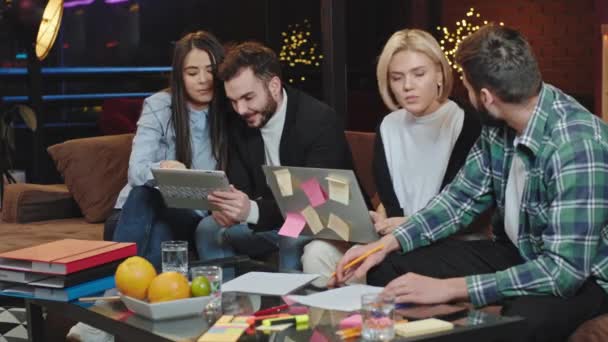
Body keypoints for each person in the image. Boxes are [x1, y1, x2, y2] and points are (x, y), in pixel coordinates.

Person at [332, 24, 608, 342]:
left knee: (523, 318)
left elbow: (563, 272)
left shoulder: (577, 144)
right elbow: (459, 199)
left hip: (584, 275)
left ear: (486, 97)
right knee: (390, 267)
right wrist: (384, 245)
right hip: (518, 251)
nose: (465, 93)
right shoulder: (498, 125)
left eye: (467, 86)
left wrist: (450, 287)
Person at [301, 29, 481, 286]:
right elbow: (389, 201)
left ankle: (370, 320)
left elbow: (469, 209)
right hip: (394, 235)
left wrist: (406, 224)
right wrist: (376, 220)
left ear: (440, 74)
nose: (408, 86)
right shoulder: (389, 126)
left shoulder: (466, 123)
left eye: (419, 74)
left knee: (373, 266)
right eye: (397, 78)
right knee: (316, 253)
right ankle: (337, 323)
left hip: (448, 239)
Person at [195, 41, 357, 271]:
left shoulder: (319, 121)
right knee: (207, 229)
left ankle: (290, 307)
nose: (240, 109)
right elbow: (242, 187)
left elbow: (315, 204)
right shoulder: (239, 123)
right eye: (233, 101)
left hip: (324, 221)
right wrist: (228, 207)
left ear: (273, 86)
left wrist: (251, 209)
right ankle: (227, 304)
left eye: (248, 97)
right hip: (271, 220)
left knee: (291, 233)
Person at [110, 31, 229, 269]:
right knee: (145, 195)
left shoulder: (231, 111)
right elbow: (136, 172)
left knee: (153, 206)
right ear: (179, 76)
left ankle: (116, 291)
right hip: (134, 214)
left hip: (190, 213)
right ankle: (152, 295)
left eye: (210, 70)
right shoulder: (159, 105)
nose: (203, 79)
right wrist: (165, 173)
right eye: (192, 73)